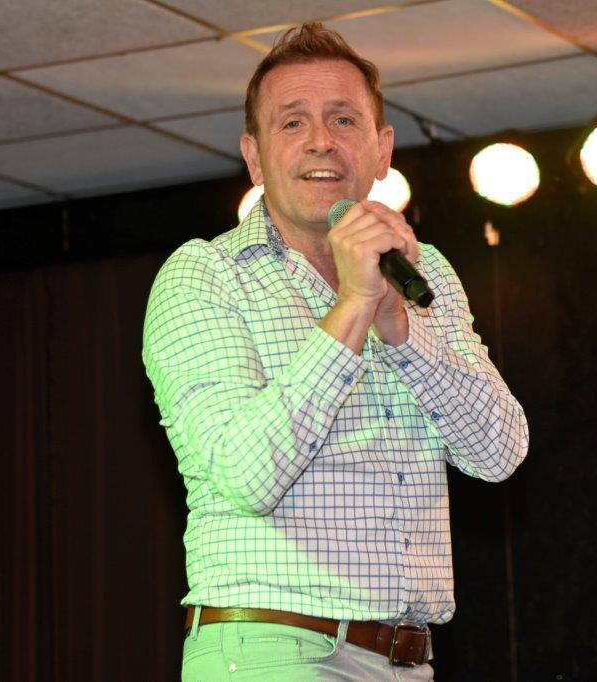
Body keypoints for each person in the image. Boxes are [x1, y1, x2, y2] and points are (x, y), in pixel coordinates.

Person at [142, 22, 529, 681]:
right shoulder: (206, 276)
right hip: (274, 647)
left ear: (381, 150)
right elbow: (246, 475)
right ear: (255, 156)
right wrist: (353, 304)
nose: (321, 139)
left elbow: (499, 453)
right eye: (292, 122)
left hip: (408, 658)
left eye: (343, 119)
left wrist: (398, 324)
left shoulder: (424, 269)